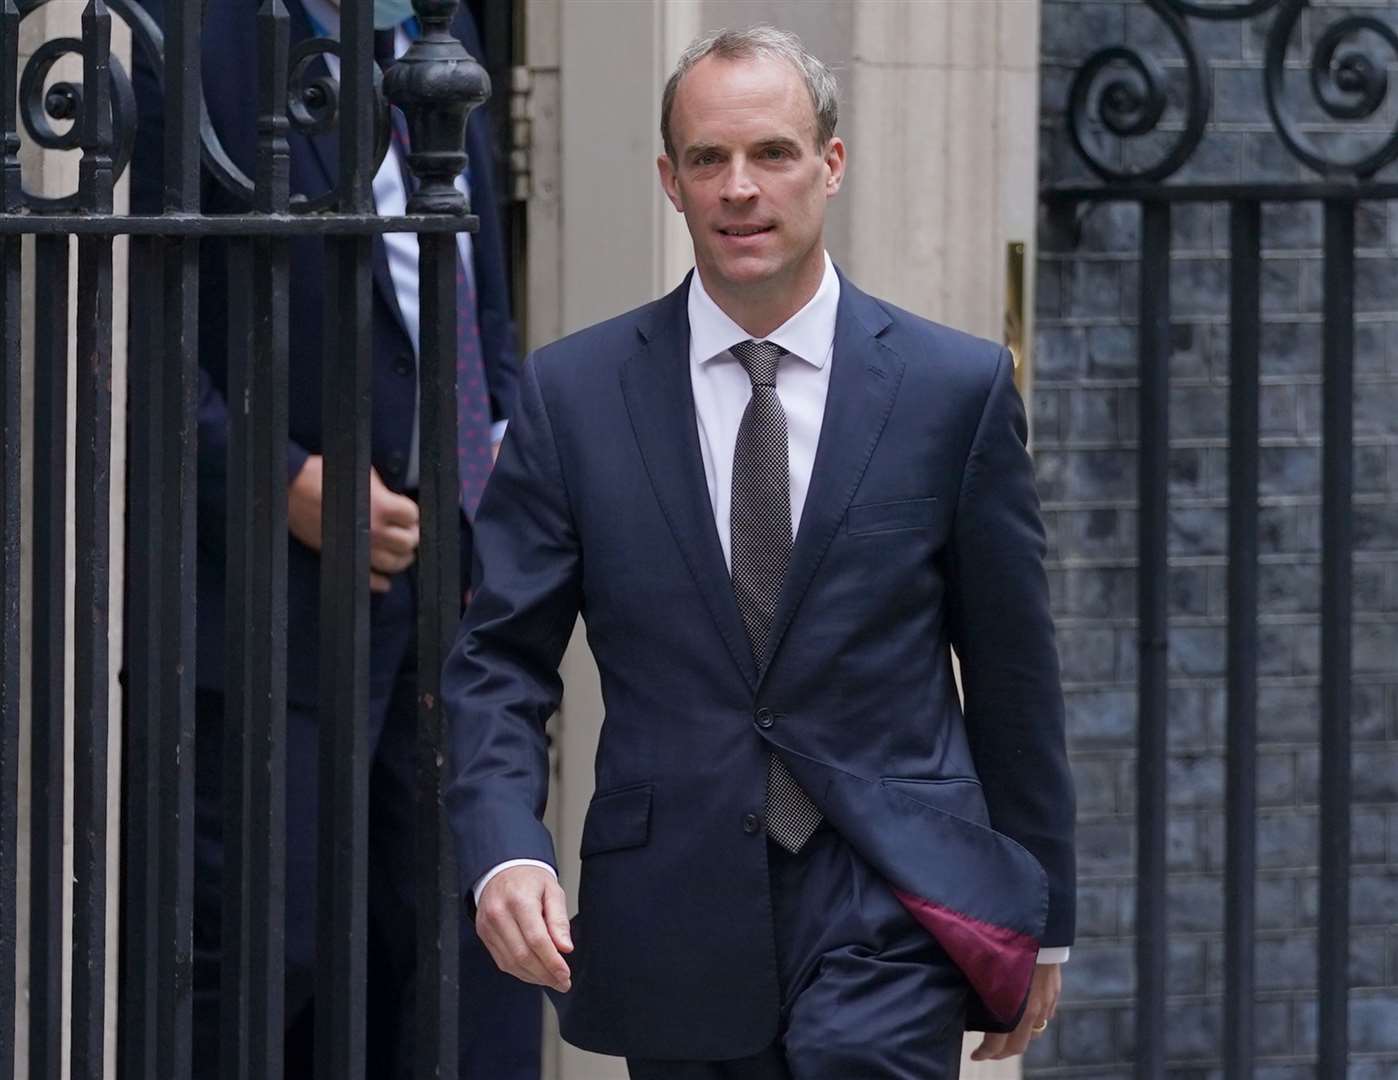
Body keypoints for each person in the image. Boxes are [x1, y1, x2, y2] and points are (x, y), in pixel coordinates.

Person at [442, 24, 1076, 1080]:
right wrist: (506, 845)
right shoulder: (576, 396)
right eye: (709, 159)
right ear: (670, 181)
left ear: (830, 165)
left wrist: (1041, 914)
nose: (741, 187)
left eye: (772, 154)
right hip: (674, 899)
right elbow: (498, 658)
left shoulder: (950, 389)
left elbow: (1014, 674)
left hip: (891, 896)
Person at [128, 0, 541, 1075]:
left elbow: (473, 289)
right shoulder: (201, 37)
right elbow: (135, 318)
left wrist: (483, 471)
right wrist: (283, 483)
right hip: (273, 605)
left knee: (458, 957)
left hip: (446, 589)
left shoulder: (438, 39)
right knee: (276, 961)